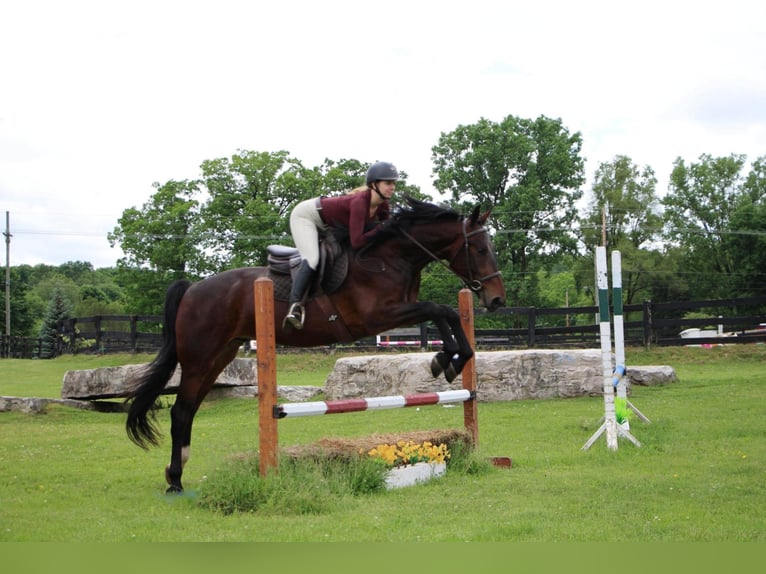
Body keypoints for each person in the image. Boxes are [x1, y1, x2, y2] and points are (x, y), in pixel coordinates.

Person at [283, 161, 399, 329]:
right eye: (388, 183)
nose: (393, 187)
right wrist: (382, 228)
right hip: (305, 216)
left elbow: (385, 235)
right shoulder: (360, 202)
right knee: (312, 259)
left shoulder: (383, 205)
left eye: (394, 183)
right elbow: (357, 241)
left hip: (327, 225)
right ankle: (294, 307)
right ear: (374, 184)